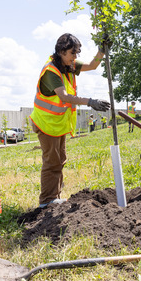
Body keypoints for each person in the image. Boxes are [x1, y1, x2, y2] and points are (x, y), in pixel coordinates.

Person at [30, 33, 111, 209]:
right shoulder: (51, 71)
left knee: (60, 160)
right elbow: (65, 97)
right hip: (46, 123)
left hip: (57, 124)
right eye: (72, 53)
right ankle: (46, 201)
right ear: (61, 51)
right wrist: (90, 102)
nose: (75, 57)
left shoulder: (68, 65)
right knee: (52, 162)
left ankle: (55, 197)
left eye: (76, 53)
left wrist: (101, 51)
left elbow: (93, 65)